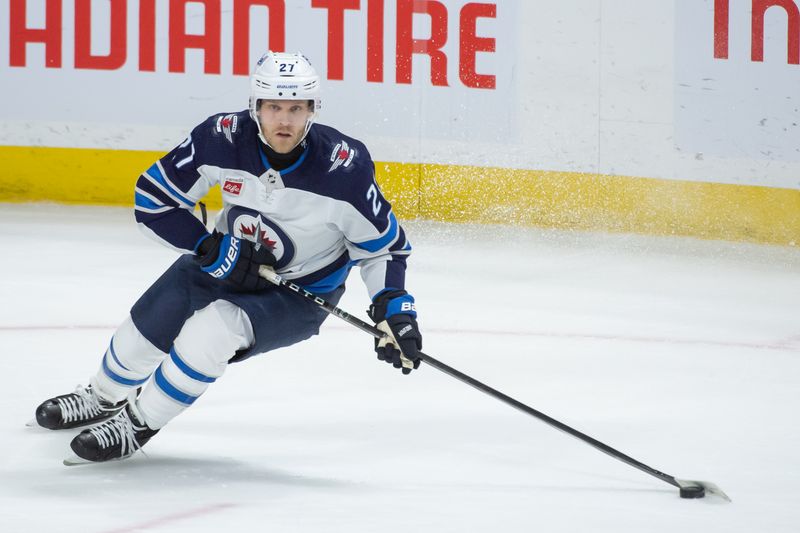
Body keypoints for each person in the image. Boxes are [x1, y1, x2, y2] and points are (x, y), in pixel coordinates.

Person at [34, 51, 423, 463]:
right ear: (255, 106)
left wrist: (395, 311)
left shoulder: (344, 167)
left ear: (313, 109)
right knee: (146, 326)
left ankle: (136, 425)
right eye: (273, 107)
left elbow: (385, 248)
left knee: (212, 331)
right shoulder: (220, 138)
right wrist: (209, 248)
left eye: (296, 108)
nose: (284, 121)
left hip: (297, 292)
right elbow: (152, 199)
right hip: (224, 261)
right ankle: (103, 396)